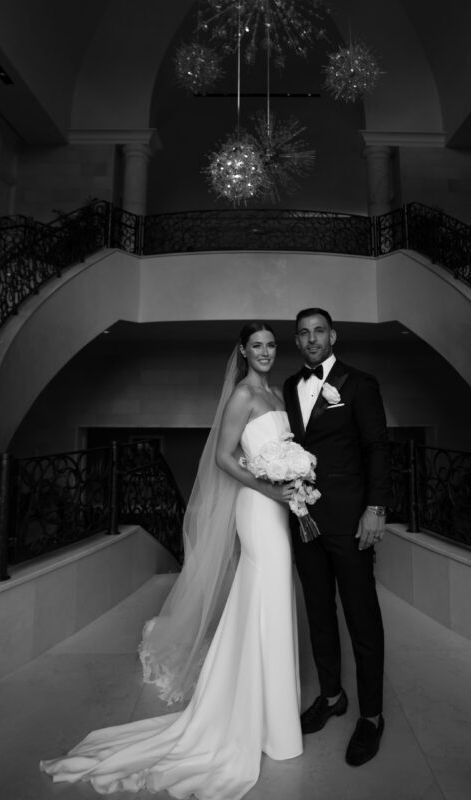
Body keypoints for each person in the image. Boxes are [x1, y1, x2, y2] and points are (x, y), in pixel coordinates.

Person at [41, 322, 302, 798]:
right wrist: (270, 487)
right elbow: (225, 458)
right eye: (256, 346)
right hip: (259, 507)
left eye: (270, 345)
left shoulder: (279, 394)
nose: (264, 352)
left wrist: (295, 482)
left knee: (268, 600)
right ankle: (261, 720)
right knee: (266, 593)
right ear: (243, 351)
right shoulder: (243, 395)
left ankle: (270, 716)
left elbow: (277, 451)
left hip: (279, 508)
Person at [283, 307, 391, 767]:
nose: (312, 339)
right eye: (304, 333)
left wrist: (375, 509)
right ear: (297, 341)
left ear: (334, 335)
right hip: (304, 519)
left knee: (361, 615)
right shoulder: (289, 387)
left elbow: (376, 448)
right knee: (319, 612)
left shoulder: (360, 384)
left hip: (350, 520)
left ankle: (372, 716)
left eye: (319, 331)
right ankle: (331, 696)